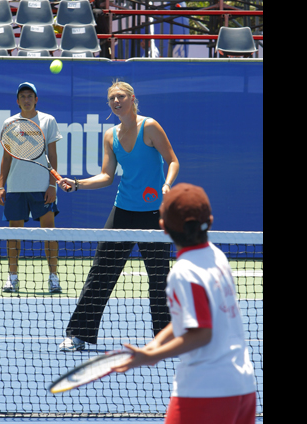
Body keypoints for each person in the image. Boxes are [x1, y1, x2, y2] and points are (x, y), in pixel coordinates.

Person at [111, 183, 257, 424]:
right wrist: (155, 345)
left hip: (205, 393)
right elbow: (191, 316)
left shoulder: (184, 272)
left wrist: (152, 356)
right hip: (243, 388)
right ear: (209, 221)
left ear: (162, 226)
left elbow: (201, 333)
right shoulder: (217, 256)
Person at [56, 80, 180, 352]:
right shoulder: (110, 136)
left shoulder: (150, 126)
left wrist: (168, 183)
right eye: (112, 98)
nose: (116, 101)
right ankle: (78, 334)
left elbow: (172, 160)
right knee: (101, 273)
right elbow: (106, 176)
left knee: (159, 278)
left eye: (121, 96)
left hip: (153, 214)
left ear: (132, 98)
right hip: (122, 211)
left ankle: (166, 337)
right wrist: (77, 183)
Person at [0, 82, 63, 294]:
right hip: (16, 187)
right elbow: (7, 158)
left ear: (36, 100)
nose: (26, 100)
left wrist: (52, 184)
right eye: (23, 96)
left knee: (48, 232)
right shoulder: (9, 123)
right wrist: (1, 185)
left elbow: (52, 155)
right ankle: (12, 277)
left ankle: (53, 277)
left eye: (30, 96)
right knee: (14, 233)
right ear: (18, 101)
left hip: (42, 187)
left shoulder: (48, 120)